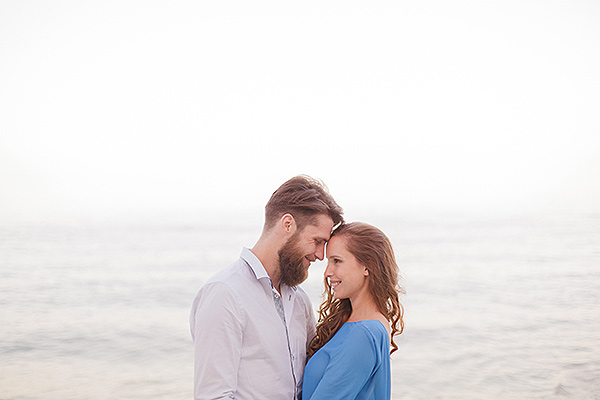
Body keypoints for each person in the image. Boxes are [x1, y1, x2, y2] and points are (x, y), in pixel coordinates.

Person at [190, 175, 343, 400]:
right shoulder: (224, 294)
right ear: (288, 225)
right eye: (317, 241)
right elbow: (213, 396)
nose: (321, 255)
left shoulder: (299, 301)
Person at [302, 222, 405, 400]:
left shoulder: (365, 333)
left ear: (367, 266)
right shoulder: (366, 324)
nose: (327, 272)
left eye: (337, 261)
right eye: (328, 262)